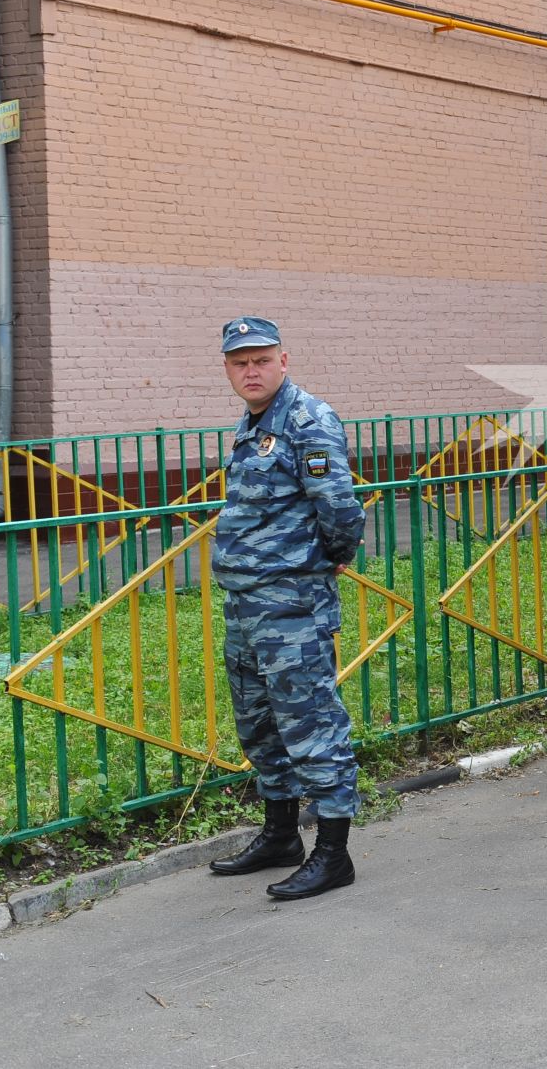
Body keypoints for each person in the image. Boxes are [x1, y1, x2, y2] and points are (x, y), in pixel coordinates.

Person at [205, 316, 366, 900]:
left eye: (260, 359)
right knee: (260, 724)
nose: (250, 370)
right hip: (247, 603)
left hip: (292, 604)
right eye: (238, 362)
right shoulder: (254, 425)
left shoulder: (306, 420)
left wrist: (329, 560)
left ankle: (333, 853)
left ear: (284, 360)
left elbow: (341, 510)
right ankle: (280, 835)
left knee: (312, 725)